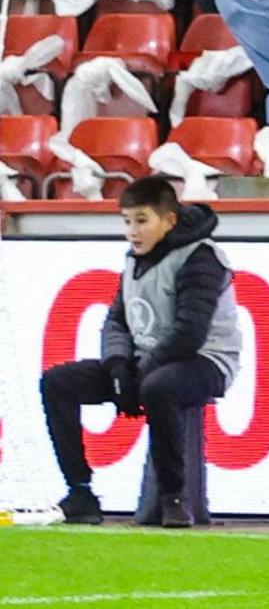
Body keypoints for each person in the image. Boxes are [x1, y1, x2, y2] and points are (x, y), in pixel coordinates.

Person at [35, 178, 238, 528]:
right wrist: (117, 369)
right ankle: (80, 492)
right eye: (127, 221)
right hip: (148, 362)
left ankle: (173, 497)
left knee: (159, 387)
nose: (132, 231)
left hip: (205, 361)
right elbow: (117, 319)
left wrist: (138, 376)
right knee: (57, 383)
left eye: (141, 221)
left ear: (169, 220)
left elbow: (190, 333)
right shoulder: (134, 259)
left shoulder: (201, 258)